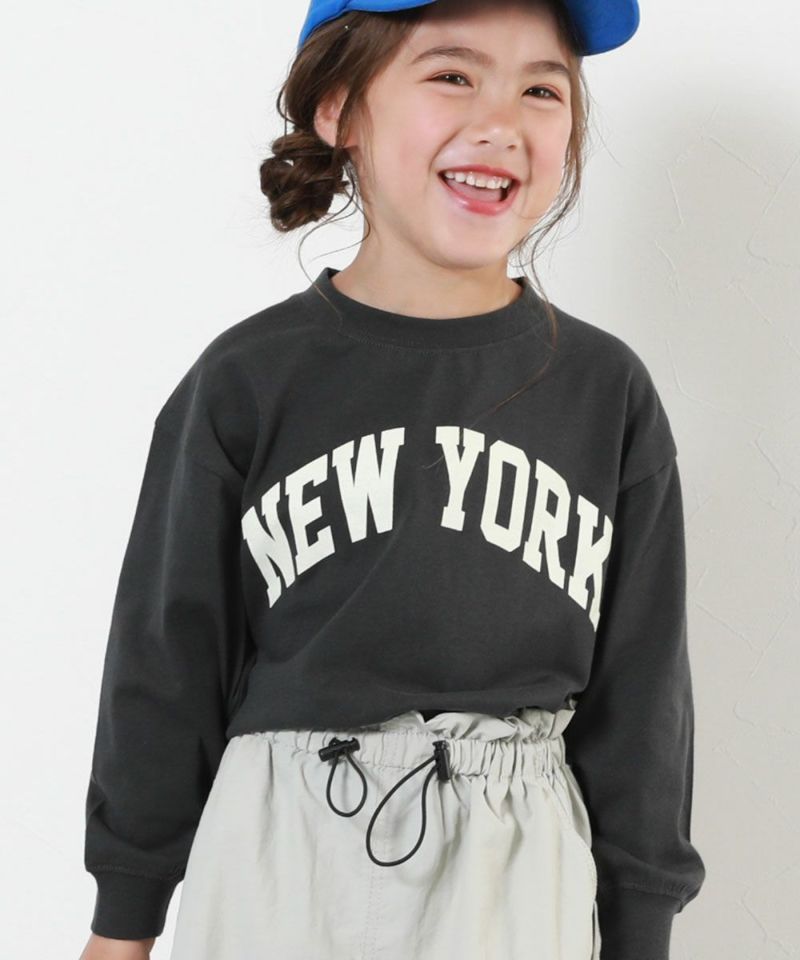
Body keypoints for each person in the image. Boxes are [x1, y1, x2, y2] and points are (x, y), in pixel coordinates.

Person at [78, 0, 707, 958]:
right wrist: (123, 925)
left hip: (516, 864)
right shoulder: (246, 380)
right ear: (340, 107)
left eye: (541, 90)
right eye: (453, 75)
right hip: (282, 851)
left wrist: (641, 929)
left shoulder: (604, 391)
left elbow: (644, 695)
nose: (500, 121)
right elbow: (166, 664)